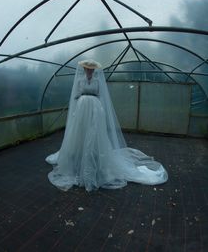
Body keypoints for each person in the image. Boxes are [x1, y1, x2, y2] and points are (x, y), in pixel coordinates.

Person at [45, 59, 168, 191]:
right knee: (80, 130)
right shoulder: (80, 80)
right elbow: (76, 95)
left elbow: (99, 95)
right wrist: (80, 102)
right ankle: (79, 154)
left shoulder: (97, 81)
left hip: (94, 108)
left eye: (91, 69)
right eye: (87, 68)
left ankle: (93, 155)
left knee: (94, 131)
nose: (89, 70)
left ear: (94, 70)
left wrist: (97, 107)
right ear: (84, 69)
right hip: (82, 107)